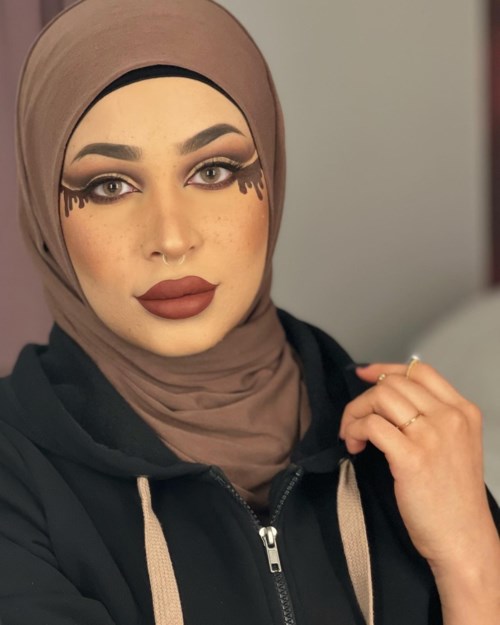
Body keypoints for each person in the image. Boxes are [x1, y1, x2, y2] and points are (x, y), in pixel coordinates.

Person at [1, 1, 498, 624]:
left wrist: (471, 560)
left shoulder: (405, 450)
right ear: (47, 218)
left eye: (213, 170)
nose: (172, 238)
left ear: (272, 175)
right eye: (109, 185)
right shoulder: (14, 476)